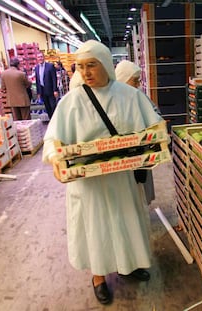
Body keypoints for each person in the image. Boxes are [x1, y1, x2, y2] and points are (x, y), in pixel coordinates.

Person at [42, 40, 163, 305]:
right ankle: (98, 277)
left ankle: (127, 265)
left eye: (91, 65)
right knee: (95, 229)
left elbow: (154, 126)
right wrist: (55, 160)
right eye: (81, 67)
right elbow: (53, 139)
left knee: (124, 222)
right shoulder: (71, 102)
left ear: (106, 65)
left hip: (121, 177)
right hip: (89, 184)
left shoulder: (130, 95)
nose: (85, 72)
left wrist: (157, 143)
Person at [115, 60, 157, 205]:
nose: (138, 84)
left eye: (139, 81)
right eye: (135, 81)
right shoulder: (110, 99)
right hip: (120, 156)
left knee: (140, 187)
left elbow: (156, 114)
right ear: (123, 78)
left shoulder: (138, 96)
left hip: (139, 150)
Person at [34, 52, 58, 120]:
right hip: (42, 90)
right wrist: (38, 92)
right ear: (37, 59)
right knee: (47, 107)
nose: (40, 58)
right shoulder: (36, 68)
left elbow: (54, 78)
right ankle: (51, 120)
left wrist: (55, 90)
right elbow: (37, 81)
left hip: (50, 90)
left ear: (43, 57)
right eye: (39, 57)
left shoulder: (50, 66)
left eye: (41, 57)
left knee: (53, 106)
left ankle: (56, 119)